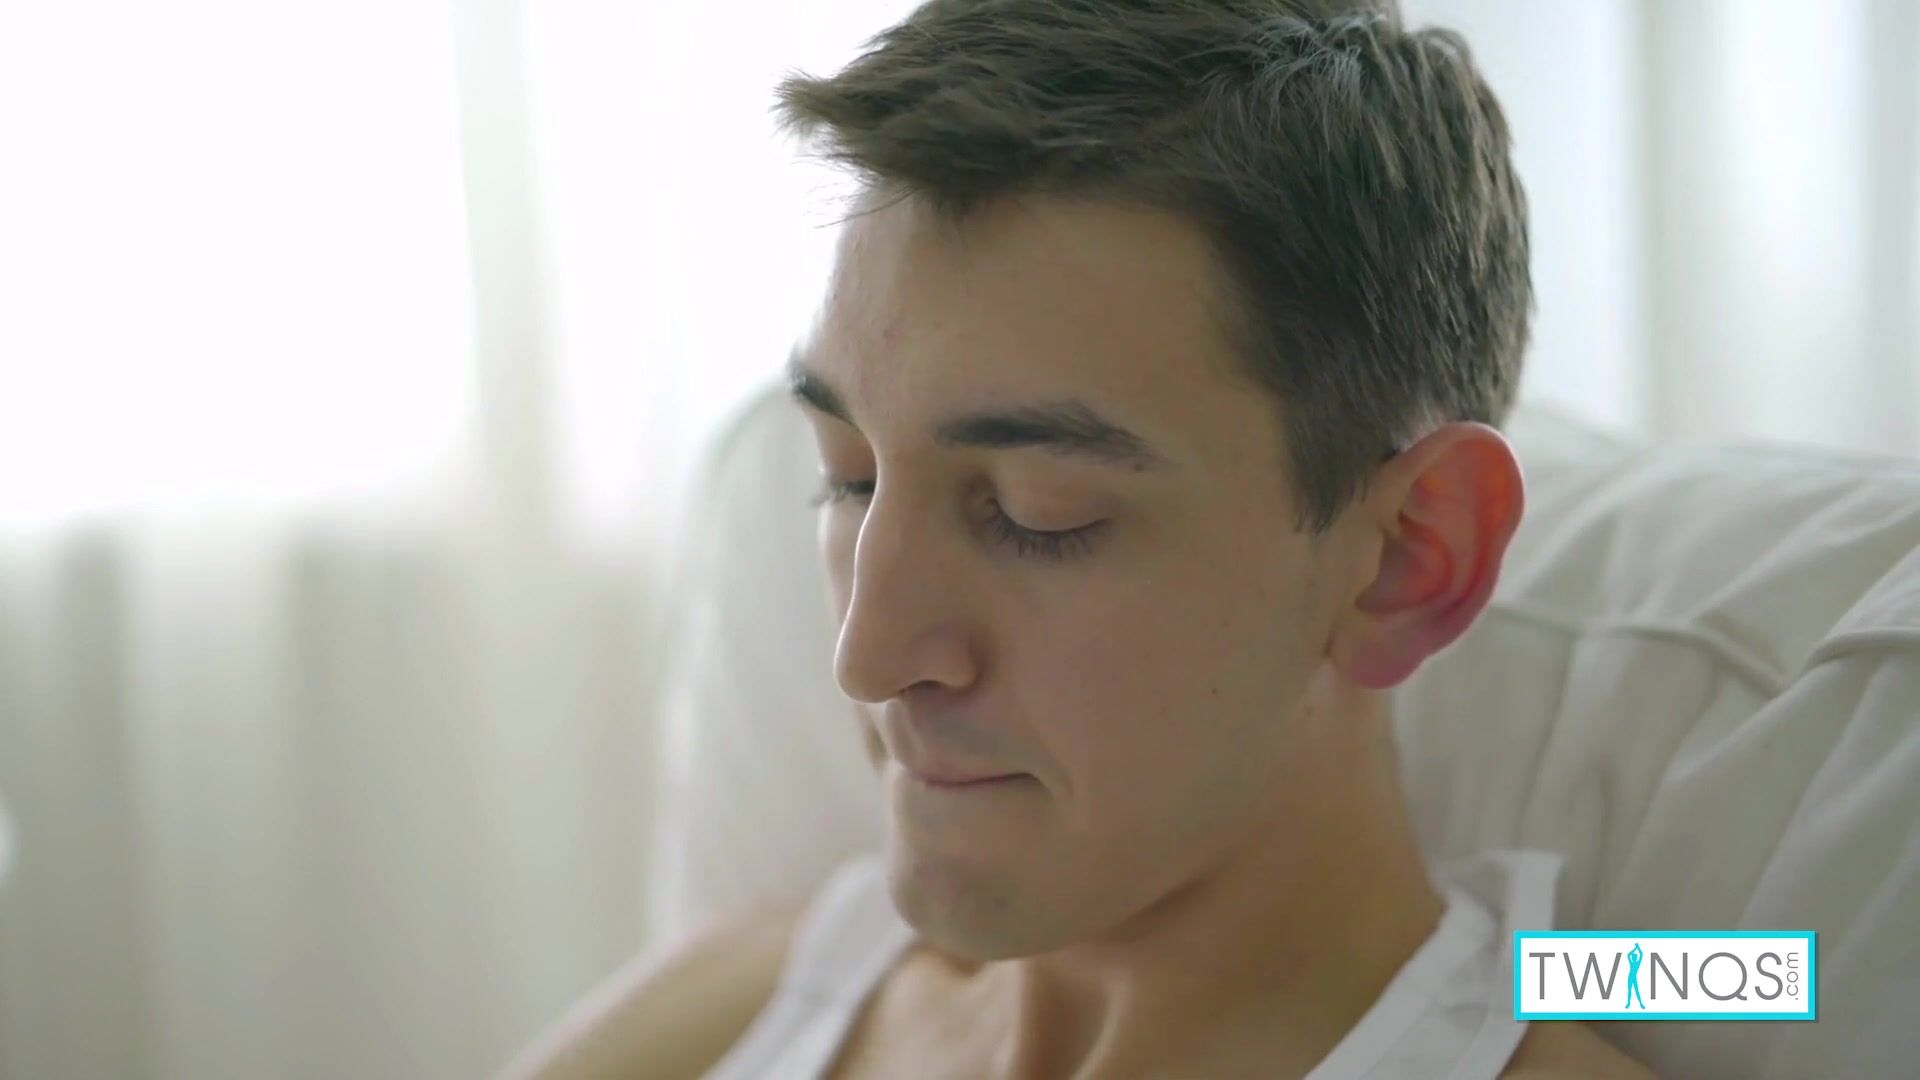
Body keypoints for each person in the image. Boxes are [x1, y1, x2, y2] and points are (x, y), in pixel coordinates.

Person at [504, 0, 1659, 1076]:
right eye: (849, 479)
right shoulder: (746, 1002)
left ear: (1408, 558)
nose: (867, 658)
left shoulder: (1649, 996)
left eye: (1033, 513)